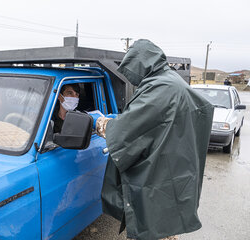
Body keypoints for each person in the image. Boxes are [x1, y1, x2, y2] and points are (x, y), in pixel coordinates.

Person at [91, 39, 214, 240]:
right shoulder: (172, 81)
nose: (131, 78)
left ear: (141, 63)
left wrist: (99, 123)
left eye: (131, 70)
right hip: (174, 172)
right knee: (164, 227)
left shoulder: (160, 89)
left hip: (158, 180)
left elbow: (126, 131)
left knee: (153, 228)